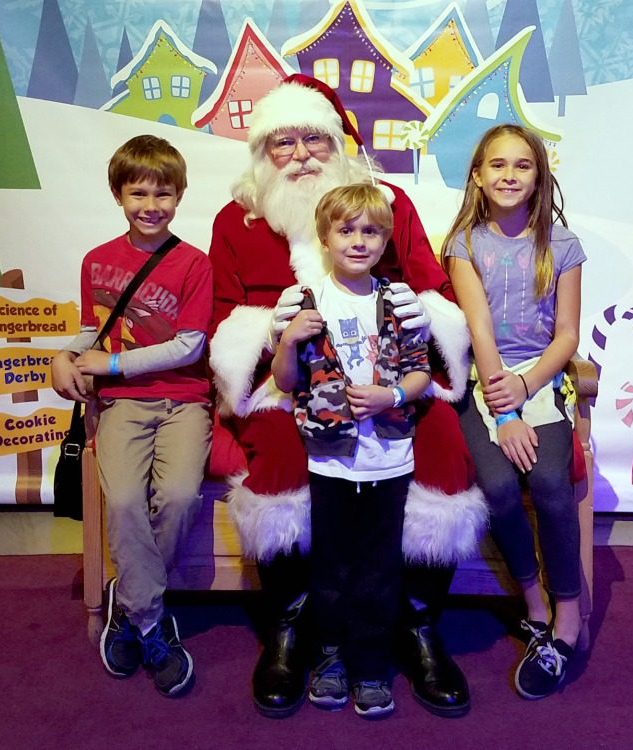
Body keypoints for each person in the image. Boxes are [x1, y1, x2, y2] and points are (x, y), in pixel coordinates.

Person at [208, 74, 486, 718]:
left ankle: (416, 625)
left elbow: (432, 293)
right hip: (283, 385)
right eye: (283, 142)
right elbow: (224, 318)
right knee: (278, 455)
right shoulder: (237, 221)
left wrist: (405, 367)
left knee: (446, 449)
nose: (301, 154)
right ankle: (291, 629)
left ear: (339, 142)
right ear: (262, 151)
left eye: (314, 138)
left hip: (390, 380)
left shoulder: (385, 204)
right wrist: (273, 338)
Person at [51, 135, 212, 697]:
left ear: (179, 196)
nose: (151, 205)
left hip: (184, 400)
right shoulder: (98, 260)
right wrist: (63, 355)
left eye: (162, 194)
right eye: (138, 192)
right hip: (121, 401)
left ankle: (131, 607)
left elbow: (190, 345)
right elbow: (93, 329)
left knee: (179, 496)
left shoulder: (194, 262)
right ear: (119, 195)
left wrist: (111, 360)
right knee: (121, 499)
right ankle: (149, 621)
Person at [271, 184, 432, 718]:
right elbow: (286, 380)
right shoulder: (306, 300)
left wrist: (392, 394)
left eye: (370, 231)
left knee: (379, 567)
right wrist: (289, 340)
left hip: (389, 459)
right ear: (324, 238)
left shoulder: (397, 301)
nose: (358, 241)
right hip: (331, 460)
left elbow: (419, 372)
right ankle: (331, 658)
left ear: (385, 239)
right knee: (332, 565)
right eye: (346, 230)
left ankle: (370, 665)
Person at [443, 124, 585, 700]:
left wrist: (527, 387)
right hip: (485, 380)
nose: (508, 175)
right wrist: (504, 411)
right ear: (477, 175)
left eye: (521, 165)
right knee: (498, 487)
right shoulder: (464, 243)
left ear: (538, 176)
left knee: (551, 482)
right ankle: (534, 603)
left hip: (541, 378)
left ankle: (568, 615)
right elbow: (479, 328)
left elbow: (567, 334)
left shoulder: (563, 244)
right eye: (496, 165)